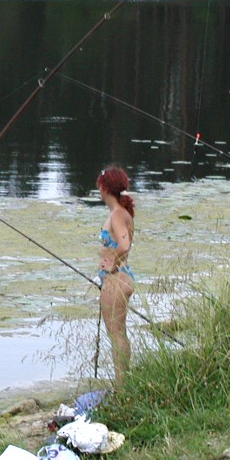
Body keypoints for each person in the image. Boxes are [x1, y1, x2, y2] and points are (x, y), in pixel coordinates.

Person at [95, 166, 135, 388]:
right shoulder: (121, 213)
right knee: (119, 333)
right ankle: (124, 383)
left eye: (100, 186)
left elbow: (124, 244)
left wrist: (110, 264)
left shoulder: (118, 214)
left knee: (116, 335)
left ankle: (122, 387)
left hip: (116, 280)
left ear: (105, 188)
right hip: (121, 279)